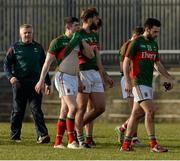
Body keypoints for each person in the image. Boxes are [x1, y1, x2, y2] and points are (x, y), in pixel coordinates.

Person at [35, 17, 94, 149]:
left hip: (74, 78)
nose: (78, 28)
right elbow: (47, 63)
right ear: (68, 28)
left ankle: (58, 142)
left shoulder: (77, 41)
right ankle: (72, 141)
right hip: (63, 77)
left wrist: (82, 40)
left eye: (78, 25)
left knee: (65, 110)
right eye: (75, 26)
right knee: (74, 108)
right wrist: (41, 80)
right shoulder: (58, 41)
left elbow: (91, 55)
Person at [121, 18, 174, 152]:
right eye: (155, 31)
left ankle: (126, 145)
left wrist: (168, 77)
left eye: (158, 32)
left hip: (147, 84)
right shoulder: (137, 42)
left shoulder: (154, 44)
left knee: (136, 114)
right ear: (147, 29)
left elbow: (157, 64)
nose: (157, 34)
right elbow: (126, 62)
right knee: (150, 111)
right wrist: (127, 81)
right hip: (138, 82)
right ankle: (153, 144)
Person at [4, 24, 51, 143]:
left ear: (32, 33)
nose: (27, 35)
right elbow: (6, 65)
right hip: (19, 84)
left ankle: (42, 135)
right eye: (25, 33)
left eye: (29, 32)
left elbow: (44, 66)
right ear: (20, 34)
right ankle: (15, 136)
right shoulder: (14, 47)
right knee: (18, 110)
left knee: (36, 109)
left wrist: (47, 83)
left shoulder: (38, 47)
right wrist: (11, 77)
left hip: (35, 85)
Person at [75, 8, 114, 148]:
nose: (98, 20)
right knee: (81, 108)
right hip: (83, 72)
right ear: (90, 18)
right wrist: (76, 75)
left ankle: (75, 128)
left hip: (95, 73)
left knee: (100, 107)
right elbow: (72, 56)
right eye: (96, 18)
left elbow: (97, 57)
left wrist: (104, 75)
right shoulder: (77, 34)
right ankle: (79, 136)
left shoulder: (94, 35)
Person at [115, 26, 144, 146]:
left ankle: (125, 130)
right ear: (137, 35)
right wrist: (128, 80)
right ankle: (131, 136)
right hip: (129, 79)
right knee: (137, 111)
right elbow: (123, 66)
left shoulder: (136, 45)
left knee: (138, 110)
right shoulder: (129, 45)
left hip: (135, 80)